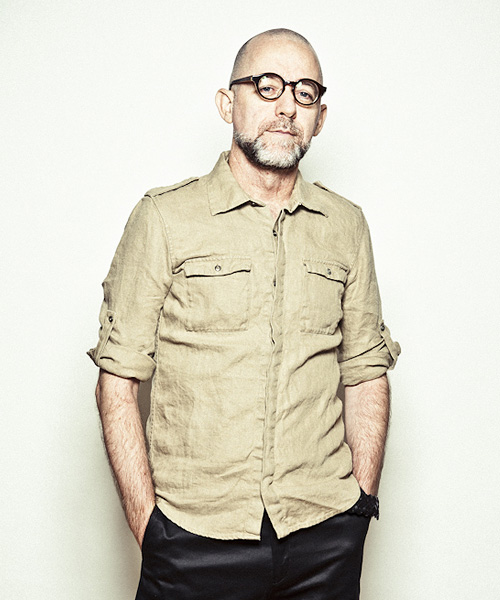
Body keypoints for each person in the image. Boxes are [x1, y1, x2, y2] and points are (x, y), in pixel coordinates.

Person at [88, 28, 400, 600]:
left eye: (304, 92)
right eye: (267, 86)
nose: (286, 106)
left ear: (320, 118)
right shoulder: (163, 218)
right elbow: (118, 379)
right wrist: (150, 529)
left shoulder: (347, 226)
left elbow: (365, 371)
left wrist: (358, 508)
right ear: (227, 103)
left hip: (324, 534)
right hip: (192, 539)